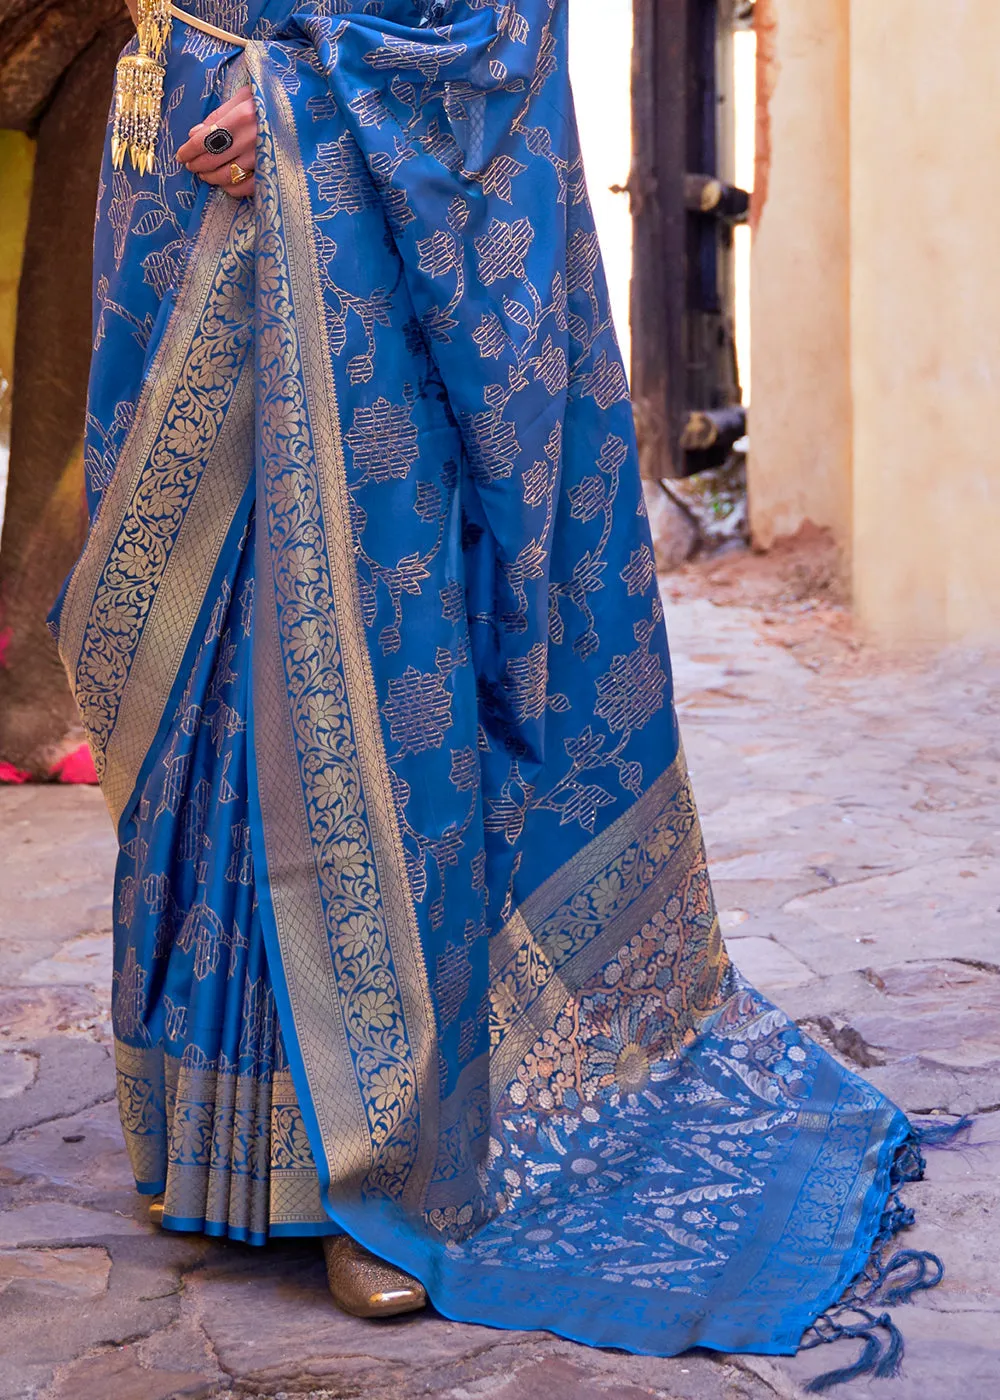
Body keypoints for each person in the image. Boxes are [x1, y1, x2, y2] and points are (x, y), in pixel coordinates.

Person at [51, 0, 941, 1385]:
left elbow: (490, 24)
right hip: (175, 183)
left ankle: (394, 1168)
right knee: (205, 676)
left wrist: (303, 111)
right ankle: (222, 1142)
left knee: (348, 662)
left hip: (350, 228)